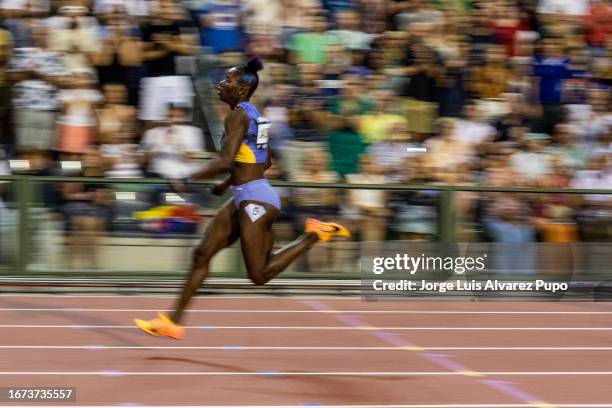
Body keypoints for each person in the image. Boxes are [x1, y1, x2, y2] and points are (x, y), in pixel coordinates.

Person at [134, 57, 349, 339]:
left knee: (258, 275)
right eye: (223, 79)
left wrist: (189, 178)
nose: (221, 84)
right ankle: (172, 322)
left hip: (256, 200)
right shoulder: (253, 115)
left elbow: (225, 160)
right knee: (202, 254)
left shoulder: (238, 116)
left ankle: (313, 235)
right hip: (246, 195)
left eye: (228, 81)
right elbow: (264, 160)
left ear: (243, 89)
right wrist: (227, 185)